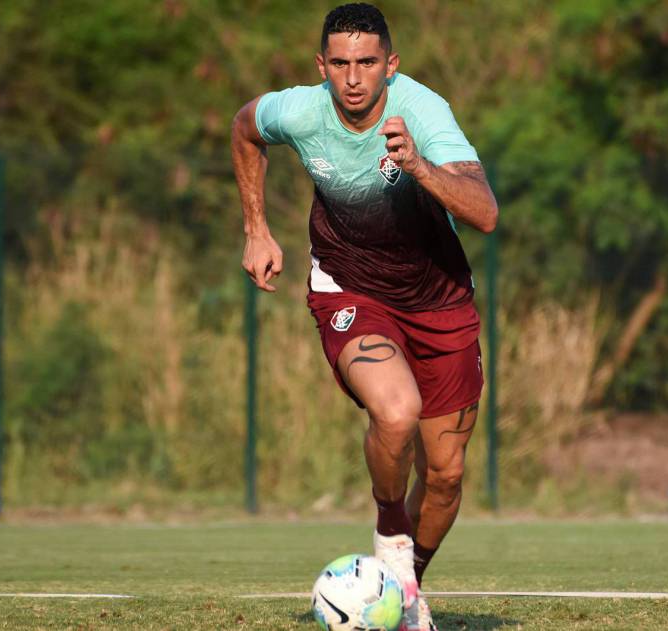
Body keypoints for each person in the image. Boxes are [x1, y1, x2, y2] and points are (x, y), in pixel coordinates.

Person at [230, 4, 498, 629]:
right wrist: (255, 229)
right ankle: (388, 537)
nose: (354, 78)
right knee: (396, 411)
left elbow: (484, 213)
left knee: (447, 476)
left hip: (440, 298)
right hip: (350, 287)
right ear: (322, 67)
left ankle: (401, 589)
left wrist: (420, 167)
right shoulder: (299, 109)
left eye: (368, 64)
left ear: (390, 66)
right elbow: (245, 128)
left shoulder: (422, 112)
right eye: (341, 64)